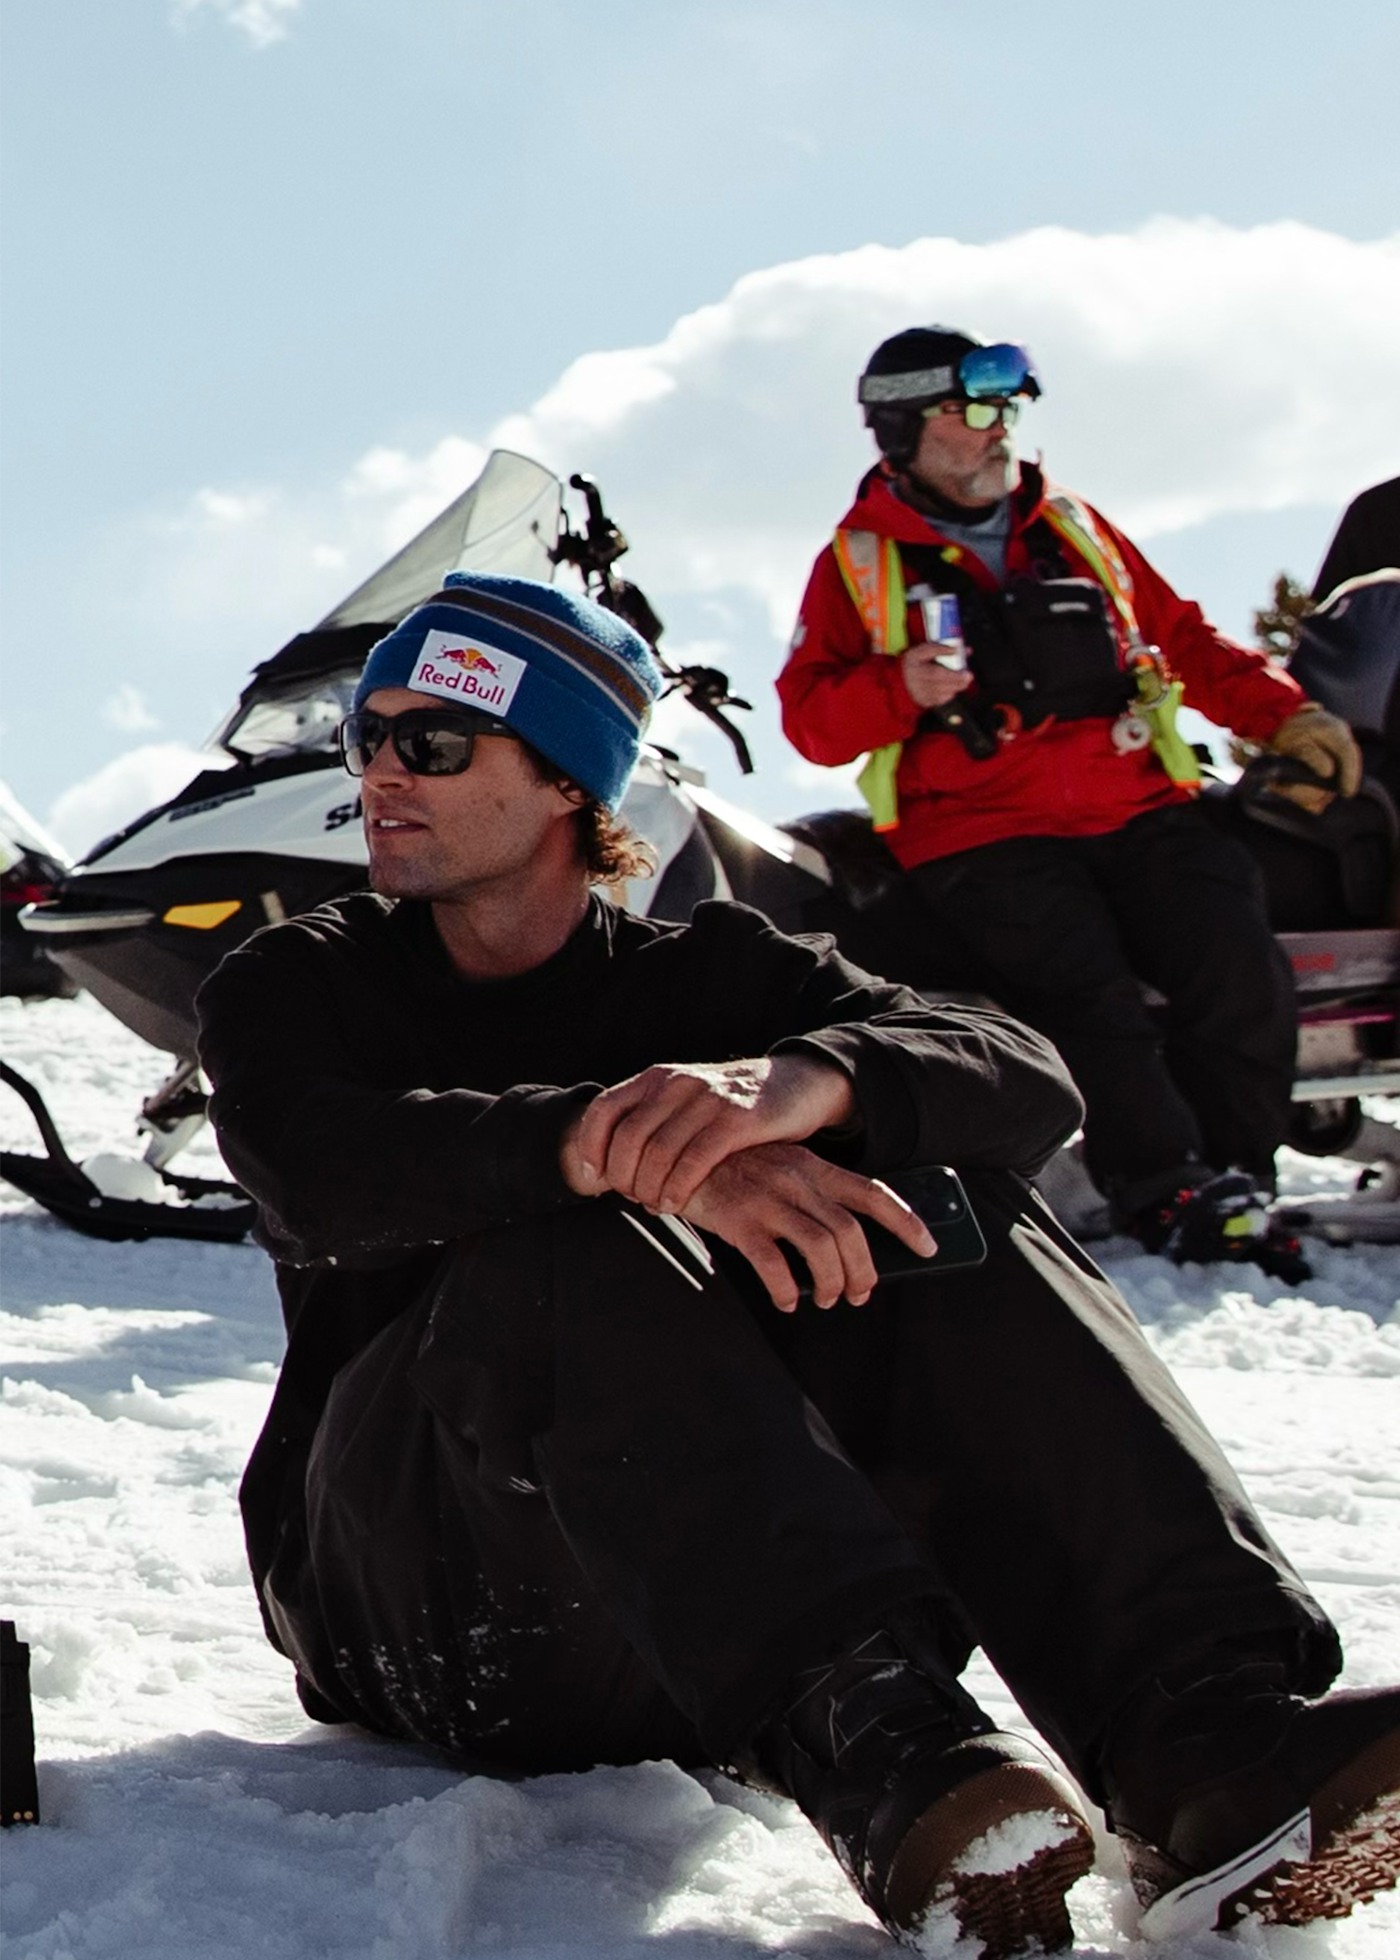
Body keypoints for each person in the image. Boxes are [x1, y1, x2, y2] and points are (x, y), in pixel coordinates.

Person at [197, 572, 1400, 1957]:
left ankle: (1203, 1744)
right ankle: (893, 1765)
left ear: (568, 782)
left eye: (432, 743)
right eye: (366, 737)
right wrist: (622, 1145)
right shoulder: (303, 982)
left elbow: (1024, 1078)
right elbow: (314, 1163)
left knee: (945, 1209)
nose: (379, 776)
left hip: (683, 1633)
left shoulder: (712, 977)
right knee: (574, 1242)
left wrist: (804, 1082)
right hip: (419, 1604)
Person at [778, 326, 1367, 1275]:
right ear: (902, 430)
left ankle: (1236, 1181)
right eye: (972, 410)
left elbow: (1186, 638)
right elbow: (808, 720)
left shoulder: (1075, 526)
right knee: (1086, 993)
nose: (998, 427)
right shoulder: (855, 563)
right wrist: (900, 689)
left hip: (1137, 803)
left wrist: (1287, 717)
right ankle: (1166, 1188)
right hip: (979, 831)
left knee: (1235, 962)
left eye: (1005, 407)